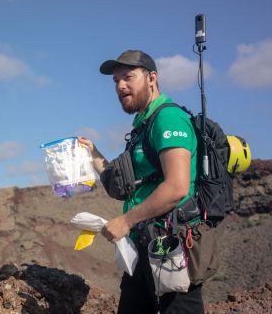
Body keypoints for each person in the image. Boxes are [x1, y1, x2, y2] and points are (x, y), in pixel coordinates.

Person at [78, 49, 203, 313]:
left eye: (128, 77)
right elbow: (120, 185)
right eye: (116, 81)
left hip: (171, 248)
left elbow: (177, 186)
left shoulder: (168, 118)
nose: (120, 86)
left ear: (151, 78)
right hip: (143, 247)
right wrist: (93, 152)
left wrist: (125, 221)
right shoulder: (142, 125)